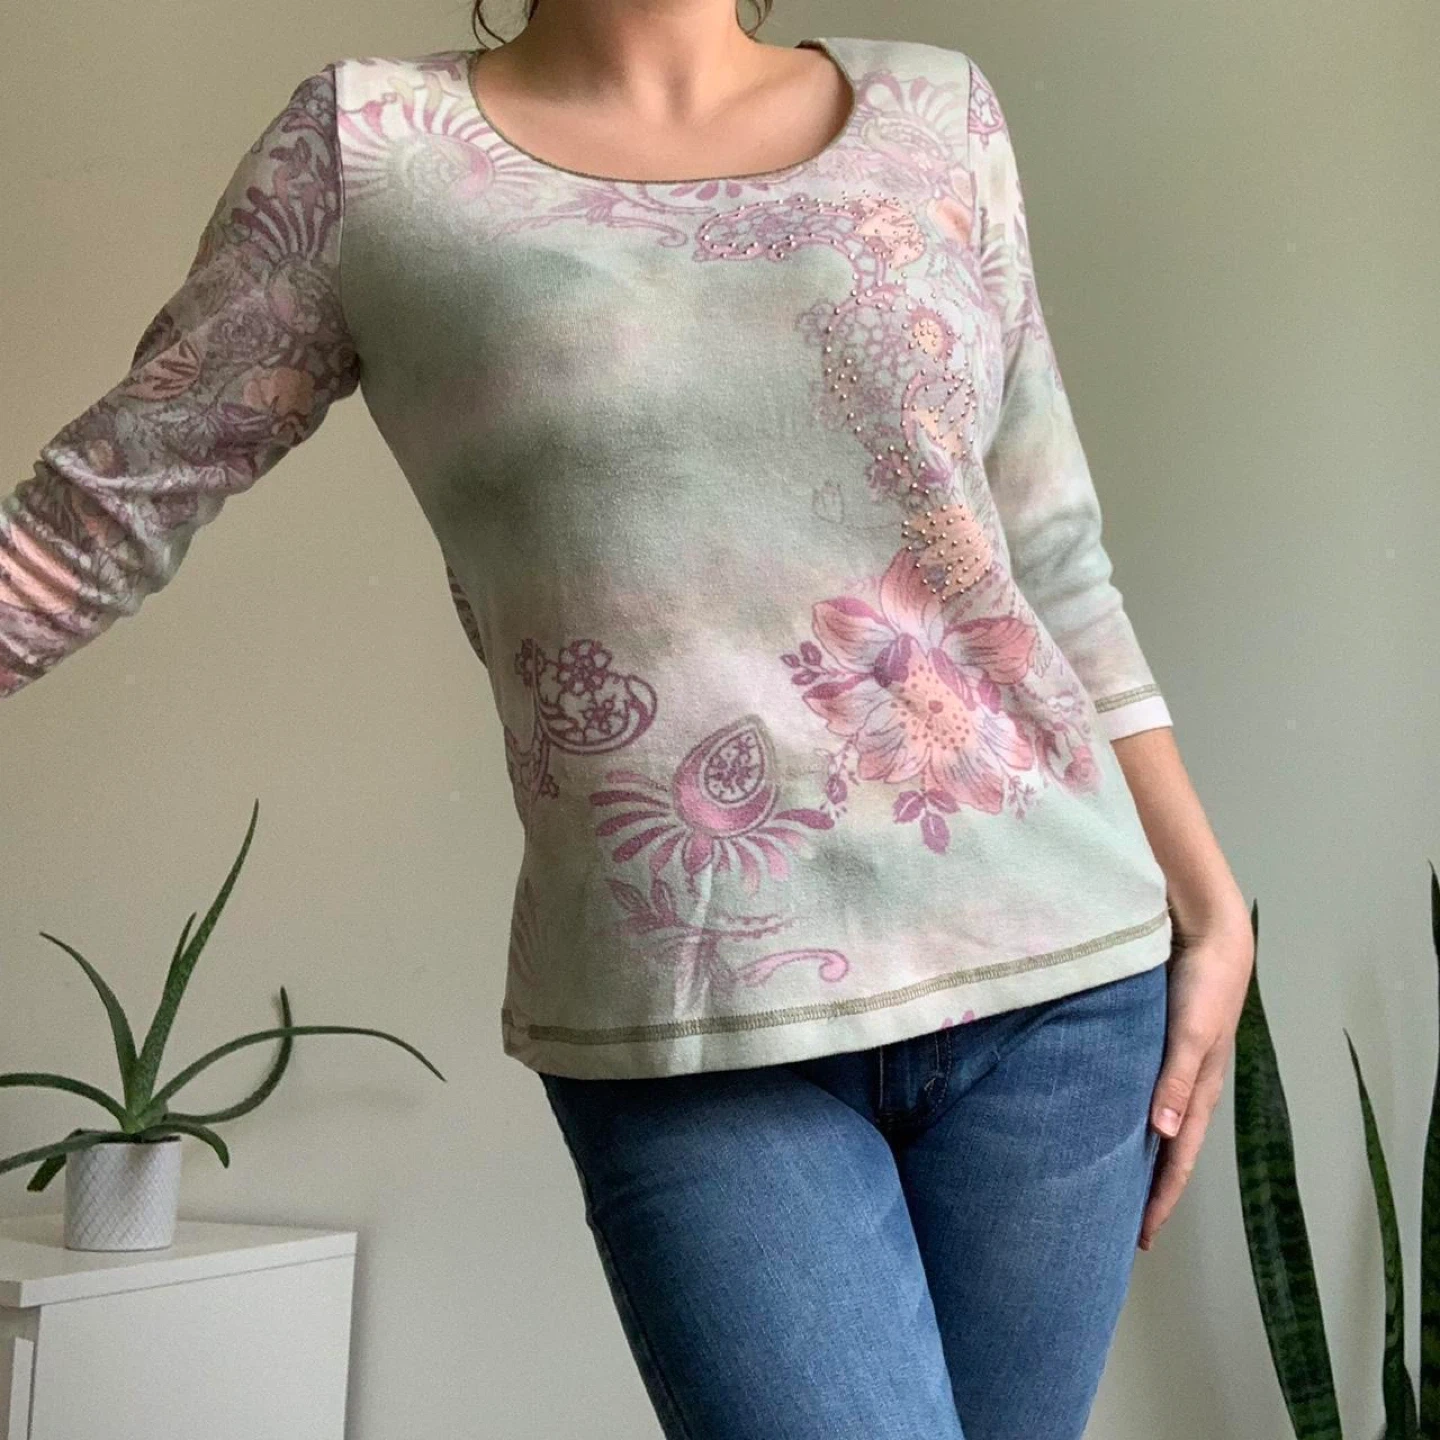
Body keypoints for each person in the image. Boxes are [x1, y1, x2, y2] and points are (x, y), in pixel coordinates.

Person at [0, 1, 1255, 1435]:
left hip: (1061, 982)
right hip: (690, 1020)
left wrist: (1210, 905)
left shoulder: (939, 113)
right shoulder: (371, 152)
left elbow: (1048, 548)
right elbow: (98, 512)